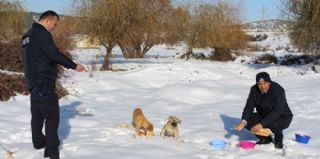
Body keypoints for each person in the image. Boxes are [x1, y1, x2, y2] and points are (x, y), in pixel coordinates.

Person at [22, 10, 85, 159]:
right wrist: (73, 65)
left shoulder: (27, 35)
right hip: (44, 81)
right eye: (55, 24)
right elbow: (54, 54)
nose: (55, 27)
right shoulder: (42, 34)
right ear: (48, 21)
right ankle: (51, 152)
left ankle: (38, 143)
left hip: (33, 82)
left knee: (37, 115)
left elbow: (33, 58)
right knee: (52, 116)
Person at [234, 72, 293, 149]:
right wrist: (243, 122)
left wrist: (261, 124)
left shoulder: (278, 90)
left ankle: (278, 140)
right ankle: (265, 138)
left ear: (269, 82)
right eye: (259, 84)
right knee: (248, 120)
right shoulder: (254, 90)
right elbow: (249, 107)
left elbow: (277, 111)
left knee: (274, 124)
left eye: (265, 83)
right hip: (264, 114)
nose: (262, 86)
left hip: (282, 116)